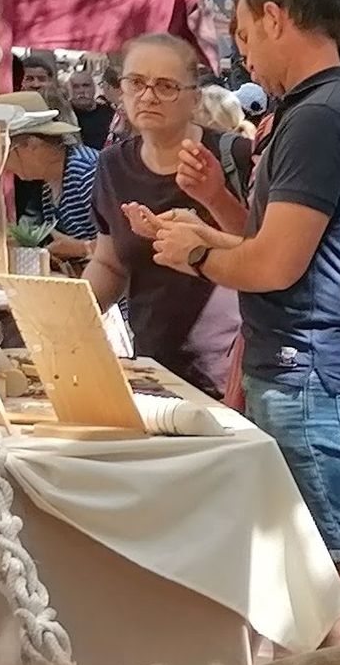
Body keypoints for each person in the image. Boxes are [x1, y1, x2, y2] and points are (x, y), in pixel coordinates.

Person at [136, 0, 340, 650]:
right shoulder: (329, 109)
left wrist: (197, 252)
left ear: (276, 18)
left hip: (311, 369)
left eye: (246, 33)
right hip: (312, 366)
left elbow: (273, 266)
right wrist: (212, 209)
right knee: (327, 566)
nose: (243, 55)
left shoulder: (320, 117)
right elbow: (278, 248)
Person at [85, 32, 242, 394]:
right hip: (151, 372)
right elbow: (110, 263)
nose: (148, 96)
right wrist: (66, 319)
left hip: (230, 376)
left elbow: (265, 252)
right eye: (136, 83)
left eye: (166, 86)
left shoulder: (235, 157)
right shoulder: (112, 165)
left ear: (195, 98)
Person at [2, 109, 97, 272]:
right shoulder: (49, 183)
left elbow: (125, 242)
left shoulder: (86, 172)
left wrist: (80, 248)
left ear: (32, 145)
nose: (4, 165)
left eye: (6, 153)